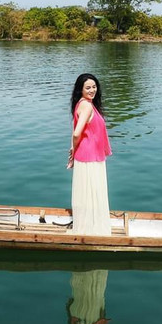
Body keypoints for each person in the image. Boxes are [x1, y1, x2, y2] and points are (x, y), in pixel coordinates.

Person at [67, 73, 112, 236]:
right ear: (80, 89)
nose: (92, 90)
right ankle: (93, 229)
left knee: (87, 194)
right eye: (88, 87)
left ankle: (89, 225)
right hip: (90, 157)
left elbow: (76, 132)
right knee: (93, 193)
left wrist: (73, 150)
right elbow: (77, 133)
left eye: (94, 86)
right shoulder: (86, 106)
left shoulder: (82, 103)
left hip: (87, 155)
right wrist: (74, 150)